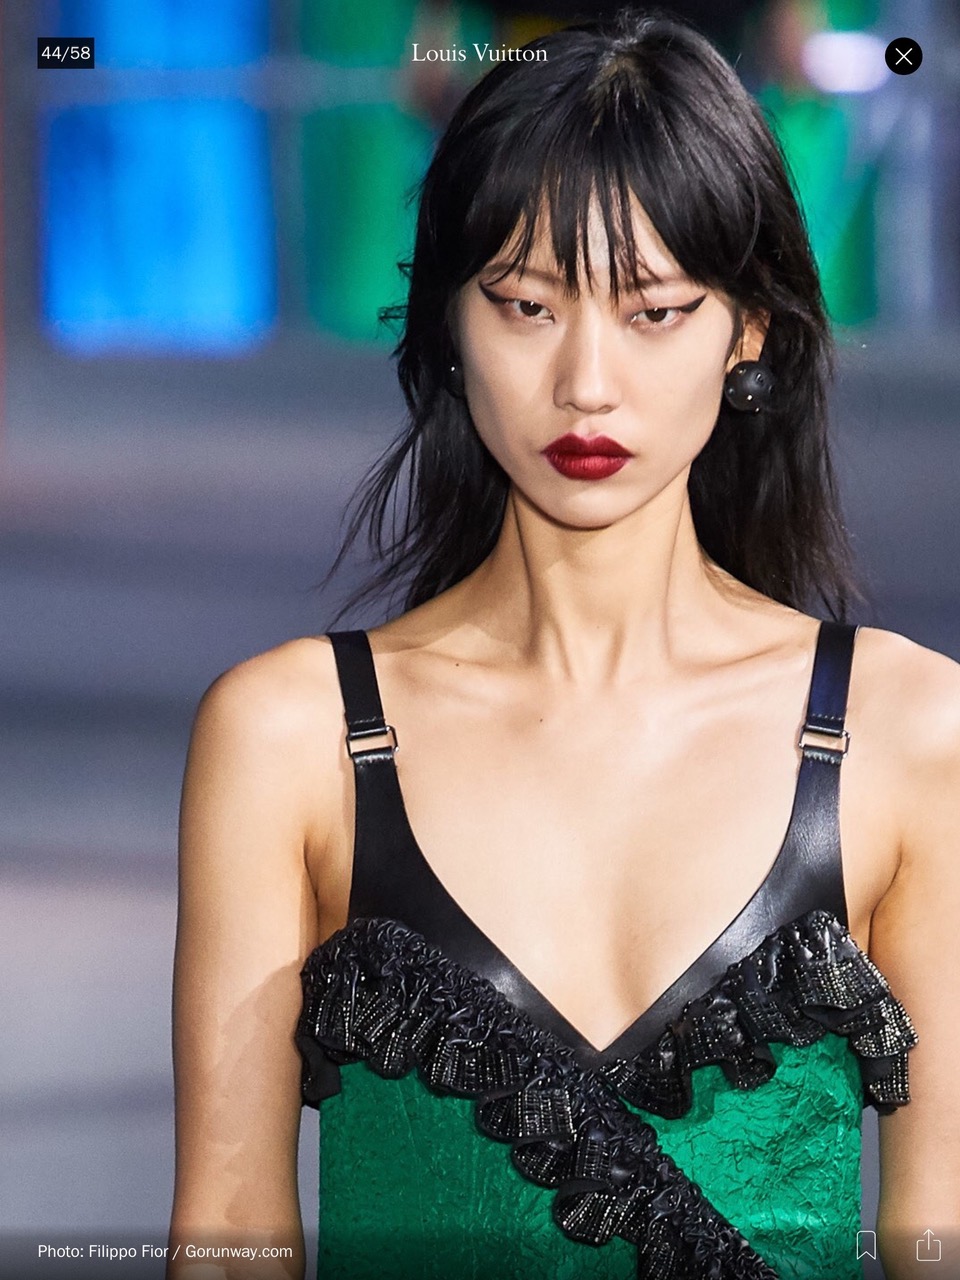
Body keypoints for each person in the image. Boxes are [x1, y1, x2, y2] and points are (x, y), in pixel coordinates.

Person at [168, 11, 960, 1280]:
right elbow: (225, 1233)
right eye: (528, 304)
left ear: (749, 328)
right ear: (447, 322)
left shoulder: (910, 733)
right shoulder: (289, 738)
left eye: (655, 310)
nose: (587, 382)